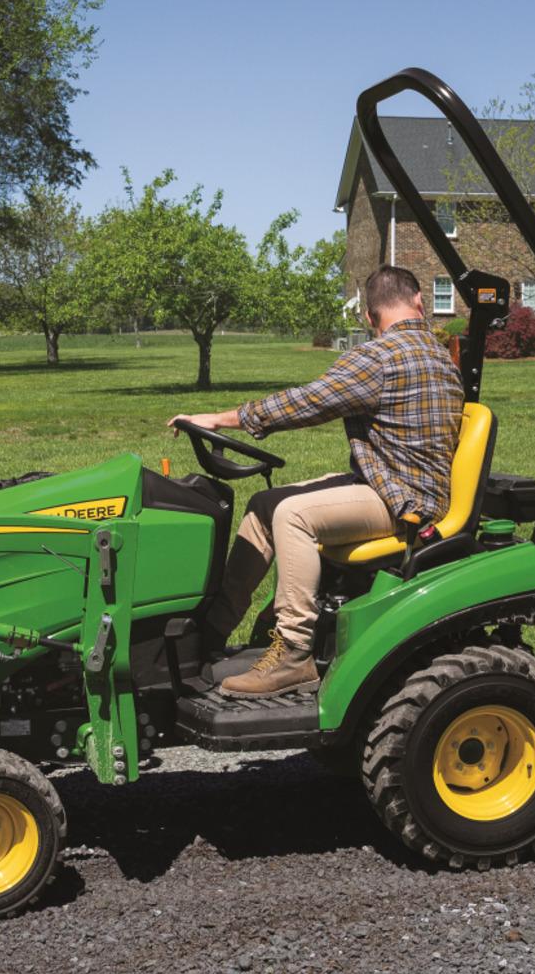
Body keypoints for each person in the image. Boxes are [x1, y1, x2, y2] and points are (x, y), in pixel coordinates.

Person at [168, 265, 464, 697]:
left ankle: (291, 652)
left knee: (292, 515)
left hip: (404, 500)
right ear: (419, 302)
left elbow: (305, 402)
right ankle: (214, 631)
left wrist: (219, 419)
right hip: (401, 482)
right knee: (265, 503)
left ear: (368, 315)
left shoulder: (380, 357)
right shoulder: (440, 354)